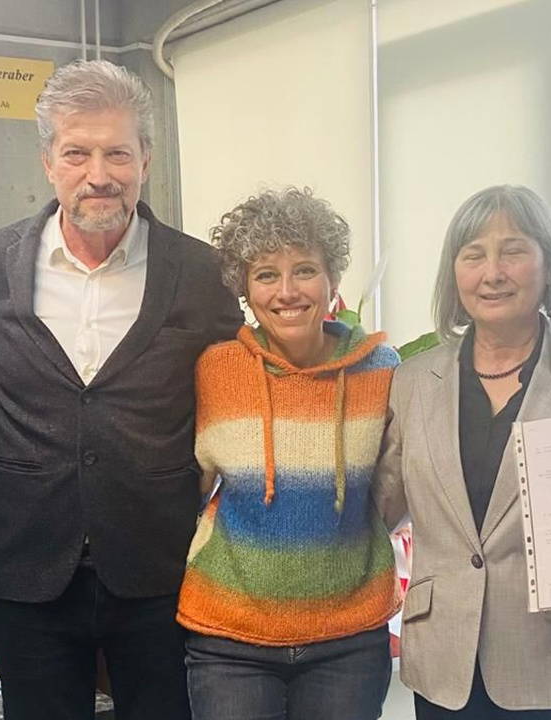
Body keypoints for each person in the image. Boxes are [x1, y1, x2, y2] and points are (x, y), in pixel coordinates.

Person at [0, 59, 242, 720]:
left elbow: (233, 392)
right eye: (77, 153)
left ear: (145, 158)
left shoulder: (200, 270)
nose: (99, 174)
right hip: (30, 566)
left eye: (117, 152)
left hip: (159, 567)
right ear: (48, 162)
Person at [375, 185, 551, 719]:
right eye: (473, 255)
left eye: (513, 251)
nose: (493, 272)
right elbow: (383, 507)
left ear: (549, 266)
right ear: (454, 275)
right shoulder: (411, 381)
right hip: (444, 663)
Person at [178, 187, 401, 720]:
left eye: (304, 270)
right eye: (266, 274)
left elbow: (396, 491)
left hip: (348, 638)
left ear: (332, 280)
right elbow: (189, 490)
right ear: (244, 288)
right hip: (230, 639)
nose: (286, 291)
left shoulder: (381, 370)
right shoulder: (216, 369)